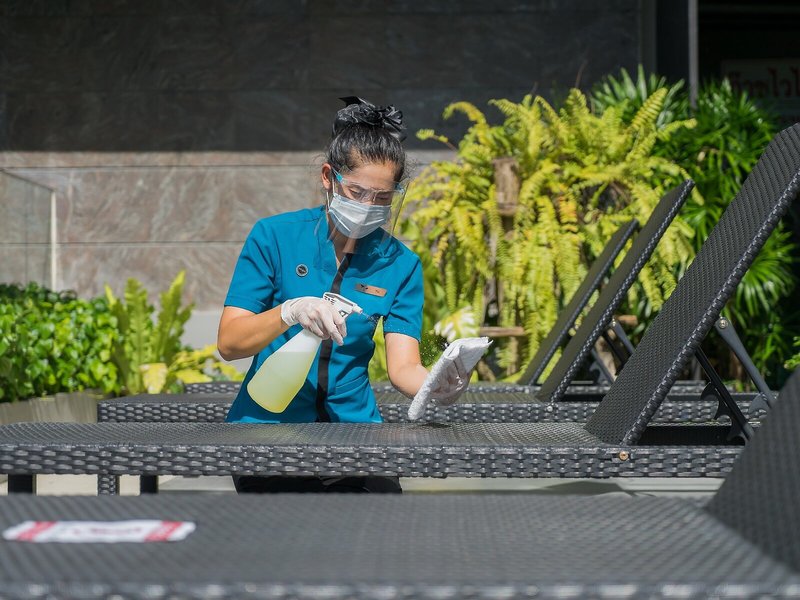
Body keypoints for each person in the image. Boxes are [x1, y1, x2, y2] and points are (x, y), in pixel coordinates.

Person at [217, 97, 469, 494]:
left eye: (382, 198)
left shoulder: (401, 264)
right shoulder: (275, 237)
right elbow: (230, 344)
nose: (368, 206)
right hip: (267, 430)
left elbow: (403, 367)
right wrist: (289, 311)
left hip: (356, 432)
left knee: (380, 523)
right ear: (328, 178)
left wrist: (435, 385)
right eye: (357, 191)